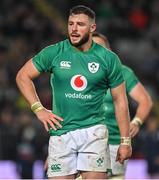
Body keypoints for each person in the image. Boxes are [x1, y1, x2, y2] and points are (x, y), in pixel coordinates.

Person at [16, 5, 132, 179]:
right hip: (61, 132)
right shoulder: (54, 52)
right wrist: (38, 109)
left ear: (92, 28)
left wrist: (125, 141)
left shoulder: (108, 59)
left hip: (94, 132)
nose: (74, 29)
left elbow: (120, 101)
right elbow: (23, 76)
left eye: (80, 24)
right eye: (71, 24)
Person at [92, 32, 153, 178]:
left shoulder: (123, 72)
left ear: (109, 51)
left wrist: (137, 122)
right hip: (87, 143)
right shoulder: (78, 73)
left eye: (100, 47)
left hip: (115, 143)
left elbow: (145, 101)